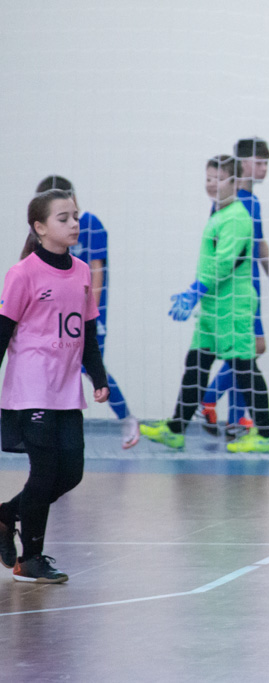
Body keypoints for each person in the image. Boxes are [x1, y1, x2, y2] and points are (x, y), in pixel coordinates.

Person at [0, 189, 109, 582]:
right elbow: (3, 332)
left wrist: (98, 377)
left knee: (71, 472)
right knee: (44, 472)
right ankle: (30, 560)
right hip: (31, 389)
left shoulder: (80, 272)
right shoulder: (23, 274)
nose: (74, 224)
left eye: (75, 216)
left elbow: (88, 332)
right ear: (40, 227)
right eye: (63, 218)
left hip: (66, 390)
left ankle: (6, 515)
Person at [139, 155, 269, 453]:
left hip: (234, 308)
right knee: (196, 364)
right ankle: (175, 430)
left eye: (219, 179)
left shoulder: (237, 217)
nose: (212, 184)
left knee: (245, 369)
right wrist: (198, 294)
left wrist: (194, 291)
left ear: (235, 182)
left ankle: (265, 436)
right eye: (209, 178)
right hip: (213, 308)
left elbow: (224, 262)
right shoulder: (218, 214)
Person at [34, 176, 140, 449]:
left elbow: (97, 270)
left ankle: (126, 418)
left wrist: (88, 313)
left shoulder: (90, 224)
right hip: (56, 315)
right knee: (52, 367)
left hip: (86, 314)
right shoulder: (44, 235)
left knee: (91, 368)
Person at [200, 137, 269, 439]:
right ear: (242, 163)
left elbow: (259, 244)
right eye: (259, 163)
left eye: (266, 163)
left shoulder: (249, 201)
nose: (264, 169)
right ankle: (209, 399)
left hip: (249, 288)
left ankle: (236, 418)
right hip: (237, 291)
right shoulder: (235, 203)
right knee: (250, 350)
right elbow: (220, 248)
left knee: (245, 354)